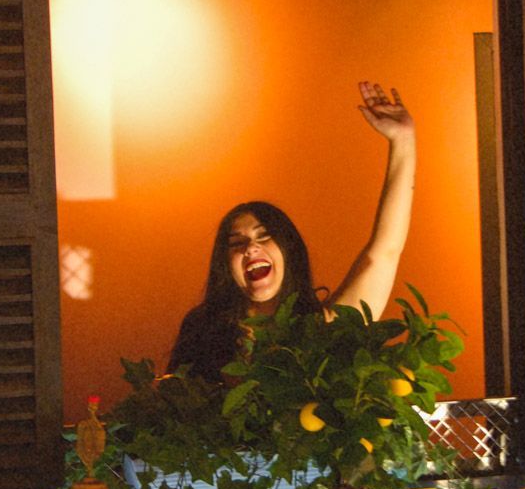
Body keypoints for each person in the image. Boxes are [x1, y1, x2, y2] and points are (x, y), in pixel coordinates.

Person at [168, 81, 416, 384]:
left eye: (264, 236)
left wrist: (403, 142)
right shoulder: (204, 330)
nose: (250, 248)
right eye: (236, 243)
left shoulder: (324, 329)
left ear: (289, 250)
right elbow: (173, 402)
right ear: (224, 265)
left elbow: (384, 252)